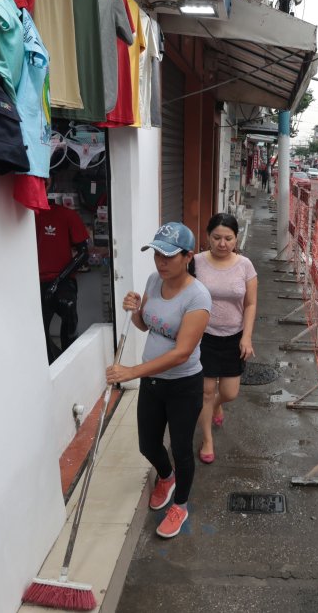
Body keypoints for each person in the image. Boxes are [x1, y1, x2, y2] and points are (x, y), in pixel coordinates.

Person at [107, 223, 211, 539]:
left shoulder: (197, 297)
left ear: (188, 256)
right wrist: (135, 310)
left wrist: (131, 372)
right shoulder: (155, 280)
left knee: (181, 447)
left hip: (183, 385)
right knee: (148, 444)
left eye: (168, 256)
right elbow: (145, 326)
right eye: (156, 254)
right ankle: (165, 477)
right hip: (153, 383)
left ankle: (180, 504)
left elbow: (181, 353)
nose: (160, 263)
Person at [193, 213, 258, 464]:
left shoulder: (245, 265)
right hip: (203, 335)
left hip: (234, 337)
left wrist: (247, 337)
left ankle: (218, 405)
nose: (222, 243)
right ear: (207, 236)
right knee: (206, 391)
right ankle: (207, 438)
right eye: (217, 237)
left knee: (229, 392)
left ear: (236, 238)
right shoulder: (196, 262)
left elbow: (251, 304)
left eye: (228, 238)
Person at [36, 190, 89, 362]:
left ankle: (69, 357)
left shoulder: (66, 215)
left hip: (63, 280)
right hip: (34, 281)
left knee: (68, 305)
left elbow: (83, 253)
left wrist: (58, 280)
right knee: (37, 322)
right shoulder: (25, 217)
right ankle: (48, 361)